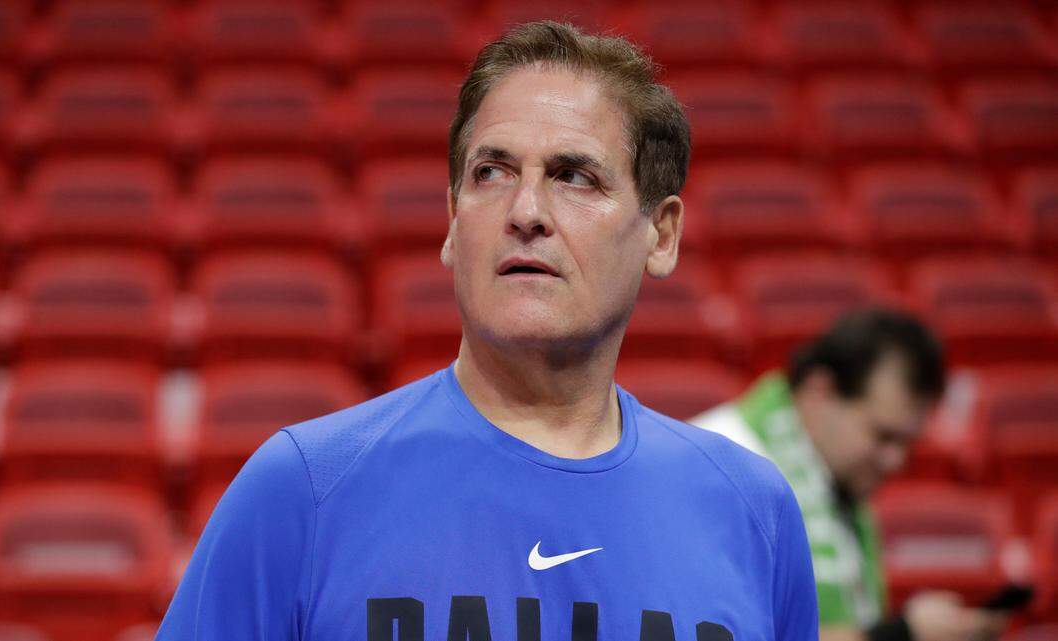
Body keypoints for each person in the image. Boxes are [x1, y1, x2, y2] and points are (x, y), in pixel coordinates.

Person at [156, 21, 818, 640]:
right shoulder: (303, 488)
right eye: (491, 173)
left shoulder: (754, 512)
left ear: (662, 233)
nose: (525, 211)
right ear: (452, 220)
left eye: (574, 176)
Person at [692, 308, 1007, 641]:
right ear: (820, 391)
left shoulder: (835, 481)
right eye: (883, 436)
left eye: (907, 443)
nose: (895, 461)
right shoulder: (715, 465)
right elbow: (711, 631)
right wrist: (899, 635)